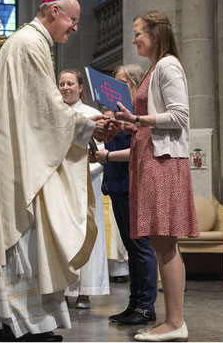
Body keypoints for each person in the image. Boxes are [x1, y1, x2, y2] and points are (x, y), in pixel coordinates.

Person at [0, 0, 116, 342]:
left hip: (19, 152)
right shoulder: (32, 44)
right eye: (72, 19)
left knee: (26, 243)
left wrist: (86, 126)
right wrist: (90, 127)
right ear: (53, 11)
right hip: (21, 163)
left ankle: (20, 324)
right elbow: (46, 109)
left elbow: (39, 108)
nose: (75, 28)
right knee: (26, 238)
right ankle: (24, 329)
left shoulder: (23, 42)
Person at [114, 10, 199, 342]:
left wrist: (139, 119)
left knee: (165, 242)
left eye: (138, 33)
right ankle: (173, 321)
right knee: (161, 242)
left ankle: (175, 322)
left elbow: (179, 115)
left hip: (163, 161)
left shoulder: (167, 65)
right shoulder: (155, 68)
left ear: (156, 33)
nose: (134, 39)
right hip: (150, 158)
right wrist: (131, 122)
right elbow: (153, 116)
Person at [94, 64, 159, 326]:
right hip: (118, 184)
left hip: (135, 185)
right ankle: (134, 303)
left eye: (120, 82)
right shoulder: (118, 114)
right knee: (131, 248)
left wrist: (107, 156)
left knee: (141, 247)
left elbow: (142, 152)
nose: (114, 87)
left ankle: (146, 306)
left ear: (133, 84)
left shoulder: (141, 116)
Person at [58, 69, 110, 309]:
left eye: (70, 83)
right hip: (58, 185)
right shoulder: (54, 113)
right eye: (61, 84)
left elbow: (99, 154)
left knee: (86, 234)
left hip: (86, 185)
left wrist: (76, 172)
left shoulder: (92, 115)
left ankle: (84, 291)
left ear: (80, 88)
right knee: (60, 237)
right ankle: (60, 287)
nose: (65, 87)